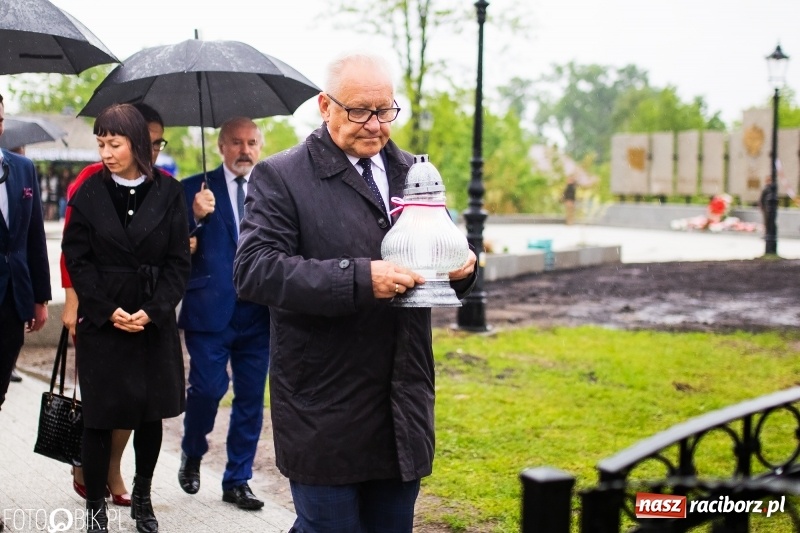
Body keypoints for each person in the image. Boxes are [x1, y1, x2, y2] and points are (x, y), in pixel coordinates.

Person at [233, 53, 477, 532]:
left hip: (400, 404)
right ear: (325, 106)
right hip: (323, 405)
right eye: (360, 111)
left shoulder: (414, 172)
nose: (375, 124)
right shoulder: (281, 176)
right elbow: (255, 270)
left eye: (385, 111)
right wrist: (363, 279)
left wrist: (462, 269)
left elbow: (443, 247)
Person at [62, 103, 190, 533]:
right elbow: (76, 258)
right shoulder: (88, 192)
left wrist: (153, 313)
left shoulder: (170, 194)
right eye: (100, 143)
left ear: (136, 144)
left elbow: (178, 264)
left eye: (113, 143)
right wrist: (101, 309)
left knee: (149, 414)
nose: (105, 152)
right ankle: (95, 508)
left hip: (151, 320)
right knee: (99, 416)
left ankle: (143, 497)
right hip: (103, 321)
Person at [177, 117, 271, 510]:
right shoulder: (192, 190)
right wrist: (194, 217)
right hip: (208, 312)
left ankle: (237, 480)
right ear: (221, 147)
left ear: (260, 147)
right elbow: (169, 245)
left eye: (251, 143)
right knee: (209, 389)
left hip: (259, 313)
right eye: (236, 142)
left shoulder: (271, 191)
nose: (244, 150)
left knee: (250, 399)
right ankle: (192, 450)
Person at [0, 92, 51, 532]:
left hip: (11, 302)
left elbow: (34, 238)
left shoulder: (22, 169)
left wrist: (39, 296)